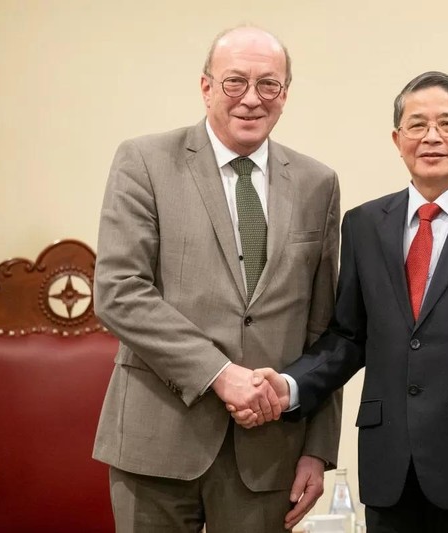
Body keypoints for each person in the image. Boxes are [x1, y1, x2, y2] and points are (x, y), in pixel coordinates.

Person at [231, 71, 448, 533]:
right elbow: (348, 336)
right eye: (417, 125)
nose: (432, 137)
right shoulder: (366, 224)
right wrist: (289, 387)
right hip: (391, 468)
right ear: (397, 138)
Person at [92, 26, 342, 533]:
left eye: (268, 85)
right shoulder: (145, 161)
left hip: (269, 453)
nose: (251, 99)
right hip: (156, 441)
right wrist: (220, 373)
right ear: (205, 87)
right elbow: (120, 290)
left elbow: (325, 329)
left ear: (285, 95)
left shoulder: (319, 184)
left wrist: (318, 449)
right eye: (235, 82)